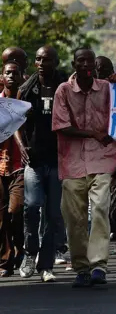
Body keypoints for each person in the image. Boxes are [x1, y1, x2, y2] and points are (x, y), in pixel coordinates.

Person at [52, 48, 116, 287]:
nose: (85, 65)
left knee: (101, 208)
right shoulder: (63, 91)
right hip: (72, 162)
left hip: (102, 158)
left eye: (89, 61)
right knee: (74, 217)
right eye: (80, 61)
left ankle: (99, 265)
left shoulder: (107, 88)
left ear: (95, 64)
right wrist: (93, 133)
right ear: (74, 64)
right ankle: (81, 267)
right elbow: (62, 127)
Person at [14, 46, 68, 281]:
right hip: (34, 161)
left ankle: (46, 265)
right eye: (37, 59)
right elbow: (17, 121)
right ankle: (29, 253)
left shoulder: (65, 86)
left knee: (53, 215)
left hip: (58, 160)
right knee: (32, 207)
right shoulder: (26, 89)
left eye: (46, 59)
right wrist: (22, 146)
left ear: (55, 62)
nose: (41, 63)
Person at [0, 61, 25, 277]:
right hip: (0, 165)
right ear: (2, 76)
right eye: (7, 73)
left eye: (15, 73)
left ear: (21, 77)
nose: (11, 76)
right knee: (1, 218)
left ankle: (20, 246)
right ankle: (5, 262)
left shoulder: (26, 102)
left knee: (15, 210)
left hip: (20, 166)